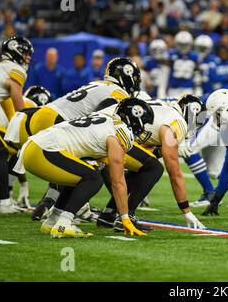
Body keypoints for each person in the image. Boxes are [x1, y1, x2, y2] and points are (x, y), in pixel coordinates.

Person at [5, 57, 141, 219]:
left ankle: (52, 208)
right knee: (88, 170)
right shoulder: (118, 93)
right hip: (56, 119)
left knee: (72, 167)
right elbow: (101, 116)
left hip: (40, 114)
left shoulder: (99, 84)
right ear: (127, 75)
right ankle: (71, 212)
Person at [14, 98, 155, 238]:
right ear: (136, 118)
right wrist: (125, 217)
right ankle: (63, 224)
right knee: (93, 178)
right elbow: (118, 181)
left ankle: (52, 220)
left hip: (33, 146)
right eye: (144, 124)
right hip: (44, 150)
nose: (143, 129)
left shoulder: (105, 118)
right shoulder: (121, 132)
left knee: (82, 174)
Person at [99, 94, 207, 229]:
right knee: (154, 168)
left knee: (143, 165)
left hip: (102, 124)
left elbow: (146, 150)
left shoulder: (165, 113)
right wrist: (186, 211)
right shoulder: (176, 122)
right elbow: (174, 172)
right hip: (108, 129)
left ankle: (109, 214)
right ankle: (127, 216)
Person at [0, 36, 33, 213]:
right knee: (0, 153)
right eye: (25, 53)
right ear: (16, 52)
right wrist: (29, 126)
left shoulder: (0, 68)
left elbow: (4, 100)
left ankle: (4, 201)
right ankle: (4, 202)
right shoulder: (16, 70)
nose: (28, 58)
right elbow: (19, 107)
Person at [167, 31, 199, 98]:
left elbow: (197, 73)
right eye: (181, 44)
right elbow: (166, 71)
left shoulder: (194, 56)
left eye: (185, 45)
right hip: (173, 88)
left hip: (188, 88)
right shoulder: (171, 54)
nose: (183, 47)